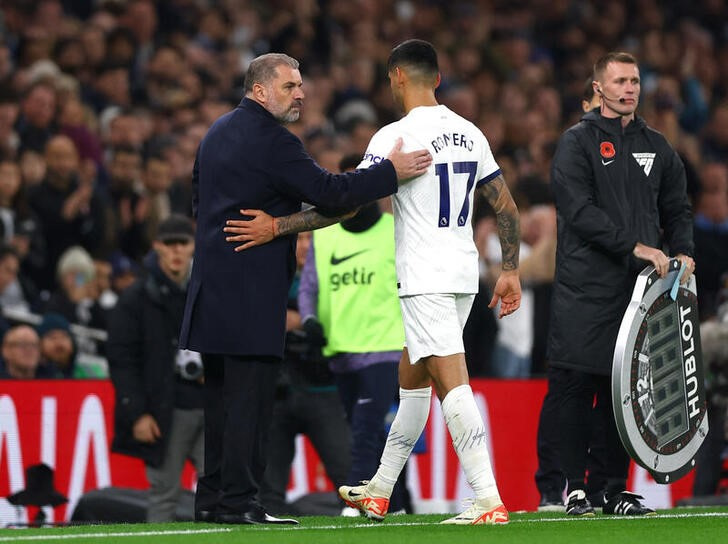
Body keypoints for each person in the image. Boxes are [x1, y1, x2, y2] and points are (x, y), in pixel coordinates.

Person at [224, 40, 522, 526]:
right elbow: (504, 205)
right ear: (438, 79)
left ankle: (487, 498)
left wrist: (277, 227)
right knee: (413, 380)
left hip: (425, 276)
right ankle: (381, 489)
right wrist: (509, 270)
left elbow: (345, 205)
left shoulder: (394, 137)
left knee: (451, 380)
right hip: (464, 272)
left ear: (397, 78)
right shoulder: (471, 133)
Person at [178, 52, 431, 526]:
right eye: (290, 86)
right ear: (259, 90)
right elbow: (332, 193)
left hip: (211, 290)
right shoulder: (272, 140)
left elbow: (197, 197)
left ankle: (213, 501)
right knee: (250, 403)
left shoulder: (215, 133)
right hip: (251, 294)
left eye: (301, 84)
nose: (301, 93)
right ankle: (240, 503)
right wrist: (389, 172)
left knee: (221, 403)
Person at [548, 52, 695, 517]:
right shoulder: (577, 143)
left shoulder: (657, 144)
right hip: (584, 287)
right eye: (619, 81)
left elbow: (678, 205)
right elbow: (580, 211)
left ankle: (611, 489)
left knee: (625, 391)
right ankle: (573, 489)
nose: (629, 88)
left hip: (637, 294)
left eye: (634, 81)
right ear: (598, 88)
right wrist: (638, 247)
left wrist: (685, 249)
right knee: (574, 385)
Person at [297, 154, 410, 516]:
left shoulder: (395, 231)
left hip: (385, 347)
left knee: (364, 428)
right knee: (371, 431)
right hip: (340, 349)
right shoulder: (324, 234)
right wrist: (310, 319)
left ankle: (358, 498)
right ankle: (401, 502)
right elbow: (309, 286)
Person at [534, 79, 608, 512]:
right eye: (599, 101)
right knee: (565, 389)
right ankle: (552, 486)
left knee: (608, 393)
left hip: (613, 292)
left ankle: (598, 485)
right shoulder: (574, 151)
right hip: (573, 294)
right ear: (585, 105)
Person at [107, 214, 204, 522]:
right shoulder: (136, 298)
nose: (176, 251)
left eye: (183, 244)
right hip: (166, 409)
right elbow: (122, 360)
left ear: (193, 247)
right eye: (169, 244)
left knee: (222, 490)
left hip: (211, 402)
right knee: (164, 492)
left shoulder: (207, 290)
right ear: (157, 247)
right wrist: (137, 412)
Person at [258, 229, 352, 516]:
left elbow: (352, 318)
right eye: (298, 238)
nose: (304, 245)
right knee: (268, 490)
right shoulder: (268, 277)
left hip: (323, 388)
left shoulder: (340, 276)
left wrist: (296, 320)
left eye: (310, 238)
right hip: (277, 390)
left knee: (349, 481)